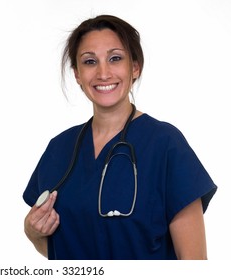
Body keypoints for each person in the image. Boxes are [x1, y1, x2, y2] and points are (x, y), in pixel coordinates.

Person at [22, 14, 217, 260]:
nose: (103, 73)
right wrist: (34, 234)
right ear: (77, 74)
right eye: (90, 61)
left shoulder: (165, 144)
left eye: (115, 58)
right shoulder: (59, 149)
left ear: (134, 68)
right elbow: (65, 251)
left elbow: (194, 262)